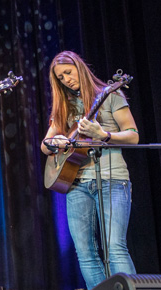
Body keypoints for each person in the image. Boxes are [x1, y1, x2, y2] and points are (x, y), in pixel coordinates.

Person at [41, 51, 138, 289]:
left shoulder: (110, 95)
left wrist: (104, 135)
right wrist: (56, 142)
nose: (66, 80)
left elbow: (133, 136)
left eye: (68, 73)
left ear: (79, 68)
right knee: (85, 252)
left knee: (114, 246)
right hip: (75, 183)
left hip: (111, 178)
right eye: (60, 78)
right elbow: (45, 145)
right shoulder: (63, 106)